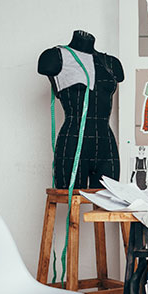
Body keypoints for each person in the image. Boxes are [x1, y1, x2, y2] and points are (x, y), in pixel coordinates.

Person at [38, 30, 124, 189]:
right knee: (73, 205)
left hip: (106, 144)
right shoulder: (56, 57)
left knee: (108, 204)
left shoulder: (111, 62)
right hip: (73, 141)